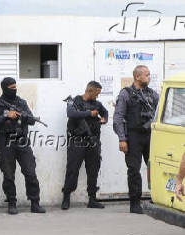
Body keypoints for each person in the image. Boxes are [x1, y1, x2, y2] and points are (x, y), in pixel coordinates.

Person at [0, 77, 46, 215]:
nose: (14, 90)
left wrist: (23, 116)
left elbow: (32, 120)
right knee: (8, 174)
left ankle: (35, 202)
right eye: (11, 88)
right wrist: (6, 115)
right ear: (4, 88)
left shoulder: (21, 102)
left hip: (22, 142)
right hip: (6, 142)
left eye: (15, 87)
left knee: (30, 171)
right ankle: (12, 203)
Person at [113, 65, 159, 214]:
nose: (149, 77)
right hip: (133, 136)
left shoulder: (152, 94)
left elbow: (161, 112)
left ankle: (158, 200)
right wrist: (122, 138)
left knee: (156, 168)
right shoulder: (126, 94)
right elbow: (118, 117)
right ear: (137, 76)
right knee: (134, 170)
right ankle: (135, 203)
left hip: (151, 135)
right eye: (146, 74)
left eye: (149, 74)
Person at [61, 81, 108, 210]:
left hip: (93, 141)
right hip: (77, 141)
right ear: (90, 91)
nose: (97, 96)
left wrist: (104, 119)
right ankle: (66, 197)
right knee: (72, 169)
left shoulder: (97, 104)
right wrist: (89, 114)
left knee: (93, 170)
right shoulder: (74, 101)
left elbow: (105, 112)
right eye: (96, 93)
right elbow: (71, 114)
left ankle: (92, 199)